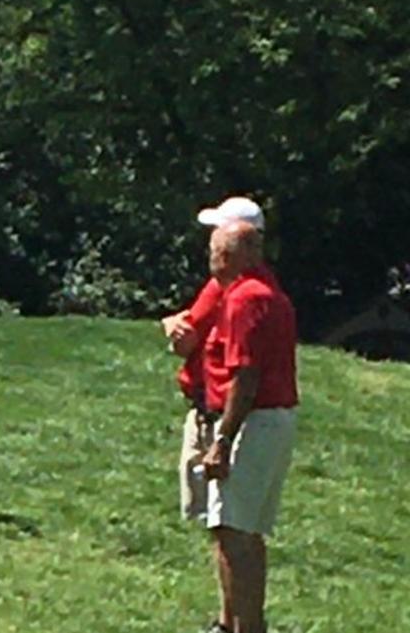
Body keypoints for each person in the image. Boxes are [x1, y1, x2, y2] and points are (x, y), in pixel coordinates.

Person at [198, 220, 299, 633]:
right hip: (276, 418)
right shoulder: (270, 293)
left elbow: (246, 376)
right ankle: (244, 625)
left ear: (238, 255)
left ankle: (246, 627)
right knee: (248, 530)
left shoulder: (244, 299)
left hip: (253, 421)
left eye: (218, 252)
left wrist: (222, 438)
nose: (212, 260)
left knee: (233, 532)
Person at [162, 196, 267, 525]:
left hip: (217, 408)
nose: (213, 243)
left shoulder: (232, 291)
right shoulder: (247, 288)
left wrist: (173, 327)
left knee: (213, 514)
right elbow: (186, 327)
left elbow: (185, 340)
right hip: (214, 406)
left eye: (219, 233)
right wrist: (172, 322)